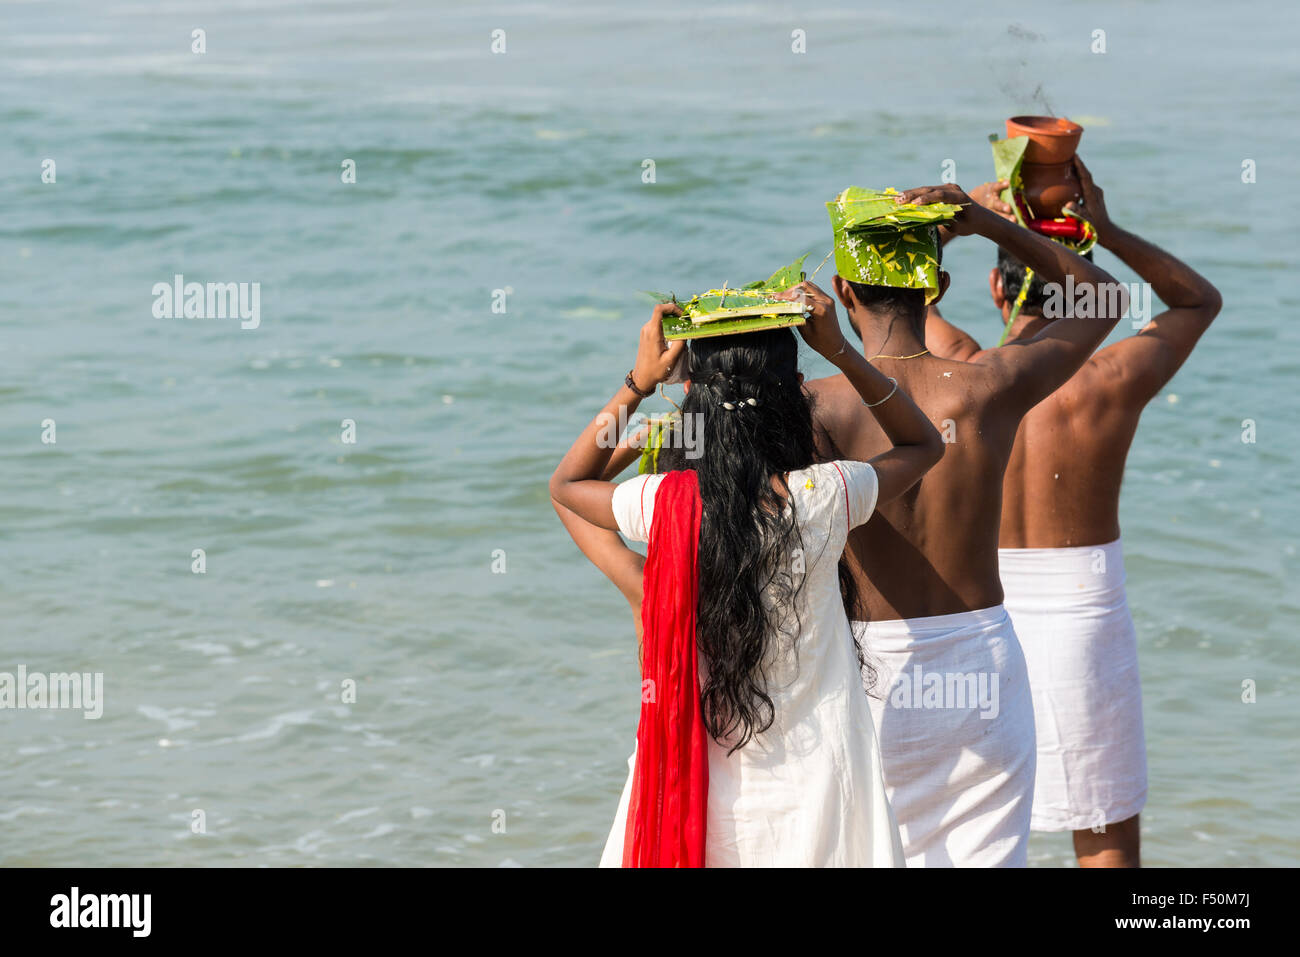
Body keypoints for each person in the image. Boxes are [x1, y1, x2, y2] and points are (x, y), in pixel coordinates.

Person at [798, 182, 1128, 866]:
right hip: (980, 659)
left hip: (868, 672)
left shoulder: (812, 409)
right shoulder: (986, 386)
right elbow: (1103, 298)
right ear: (938, 285)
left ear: (841, 289)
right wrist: (986, 224)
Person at [549, 299, 944, 867]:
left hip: (696, 794)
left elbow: (568, 484)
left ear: (691, 398)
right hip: (820, 788)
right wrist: (841, 350)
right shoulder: (827, 496)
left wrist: (639, 384)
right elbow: (924, 445)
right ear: (798, 392)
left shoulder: (666, 507)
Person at [924, 157, 1223, 867]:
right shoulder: (1108, 379)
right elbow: (1197, 302)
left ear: (998, 288)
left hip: (984, 615)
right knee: (1104, 825)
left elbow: (886, 301)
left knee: (976, 821)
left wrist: (965, 216)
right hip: (1084, 612)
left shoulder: (965, 374)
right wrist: (1106, 229)